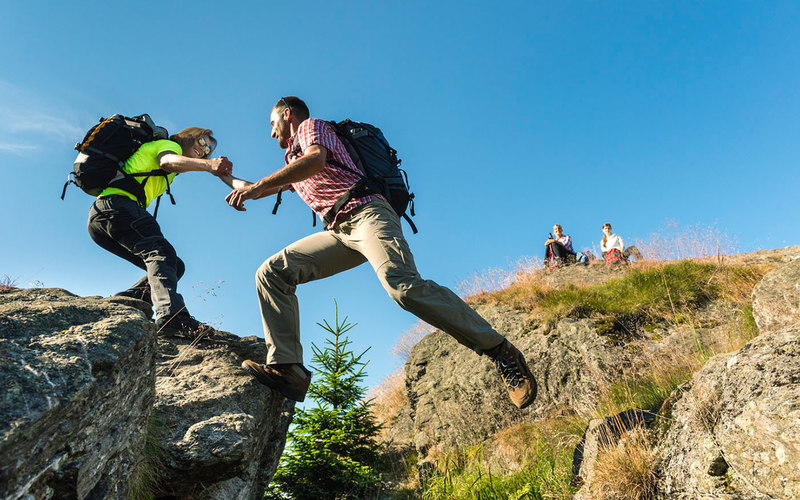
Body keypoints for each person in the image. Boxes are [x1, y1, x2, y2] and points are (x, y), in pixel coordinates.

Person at [224, 96, 536, 409]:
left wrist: (258, 186)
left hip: (367, 213)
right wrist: (216, 171)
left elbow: (316, 160)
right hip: (339, 232)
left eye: (271, 124)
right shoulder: (293, 161)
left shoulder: (309, 127)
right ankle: (288, 368)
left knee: (402, 286)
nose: (270, 132)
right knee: (272, 272)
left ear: (286, 114)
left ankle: (498, 349)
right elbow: (257, 188)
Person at [87, 127, 233, 335]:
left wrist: (271, 186)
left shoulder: (175, 164)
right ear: (189, 137)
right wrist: (210, 165)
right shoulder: (170, 146)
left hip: (102, 217)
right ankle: (171, 317)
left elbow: (233, 181)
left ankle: (130, 302)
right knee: (161, 252)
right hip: (118, 206)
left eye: (208, 149)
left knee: (174, 265)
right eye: (202, 142)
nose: (204, 149)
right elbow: (167, 161)